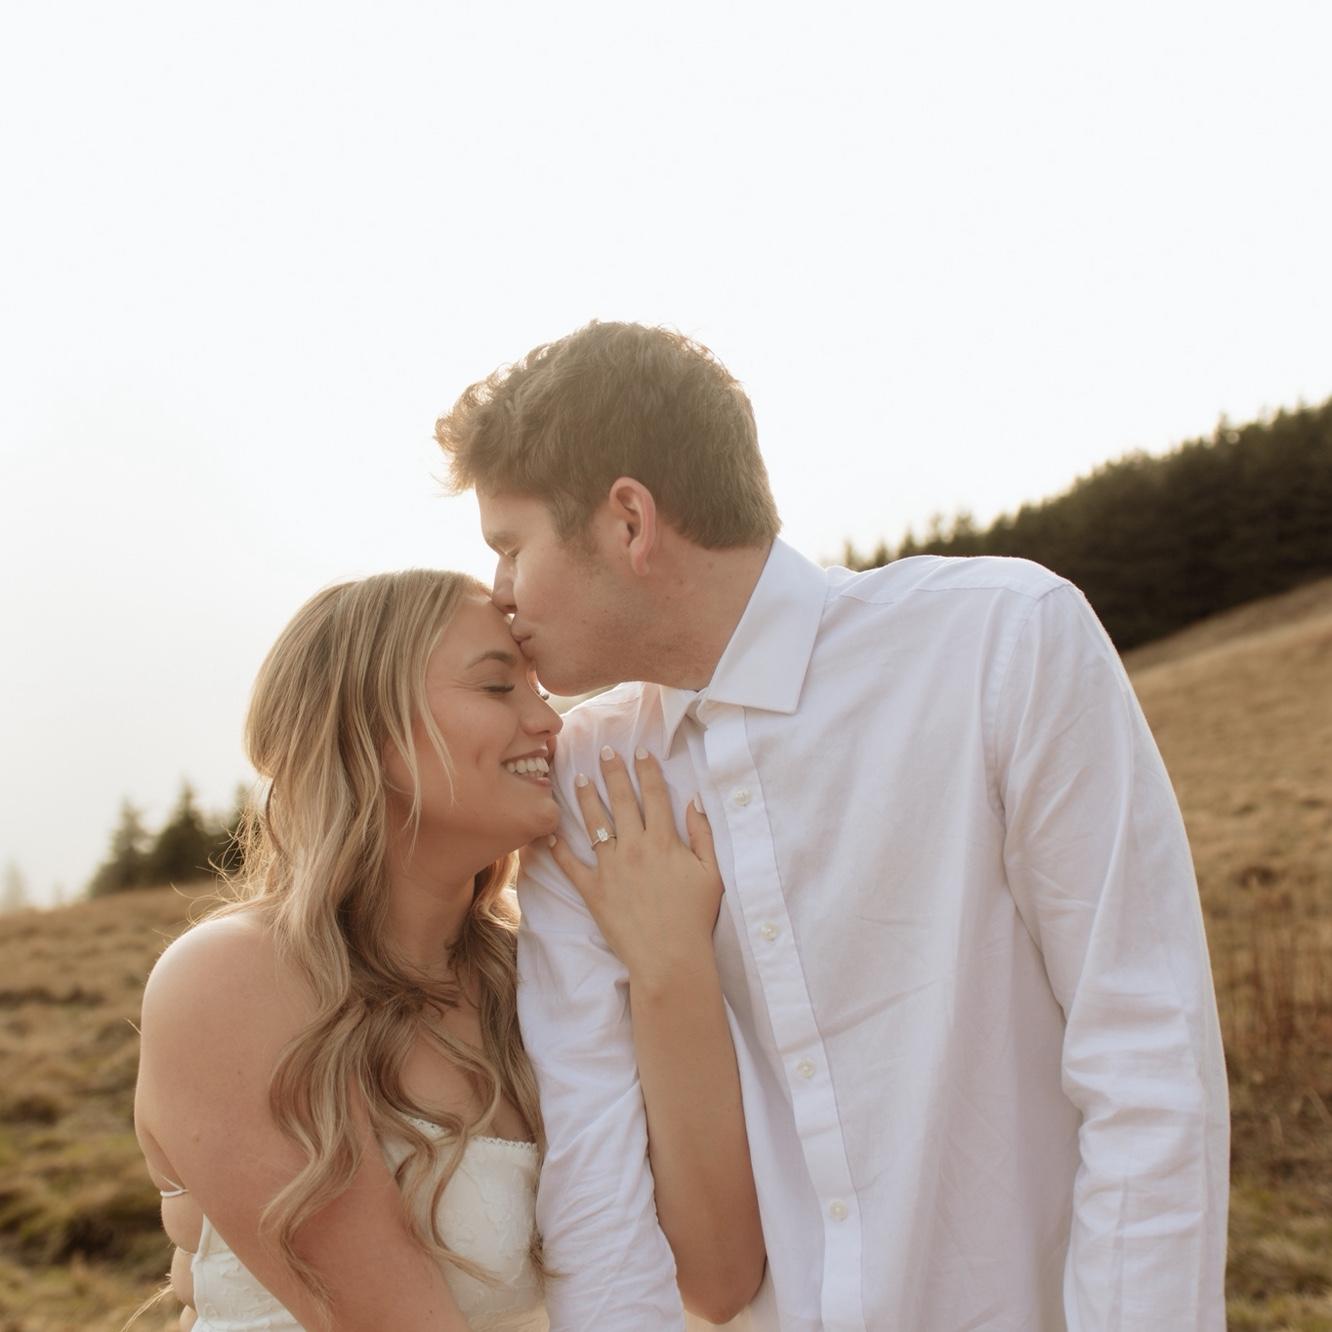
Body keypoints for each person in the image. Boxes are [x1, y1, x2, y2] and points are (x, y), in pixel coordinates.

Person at [435, 321, 1231, 1331]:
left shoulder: (1002, 643)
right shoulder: (587, 778)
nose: (501, 595)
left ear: (629, 521)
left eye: (510, 547)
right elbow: (599, 1186)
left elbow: (1148, 1064)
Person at [133, 569, 762, 1331]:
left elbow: (716, 1280)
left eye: (538, 690)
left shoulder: (540, 978)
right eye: (498, 688)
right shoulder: (229, 980)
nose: (550, 722)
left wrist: (671, 963)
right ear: (366, 728)